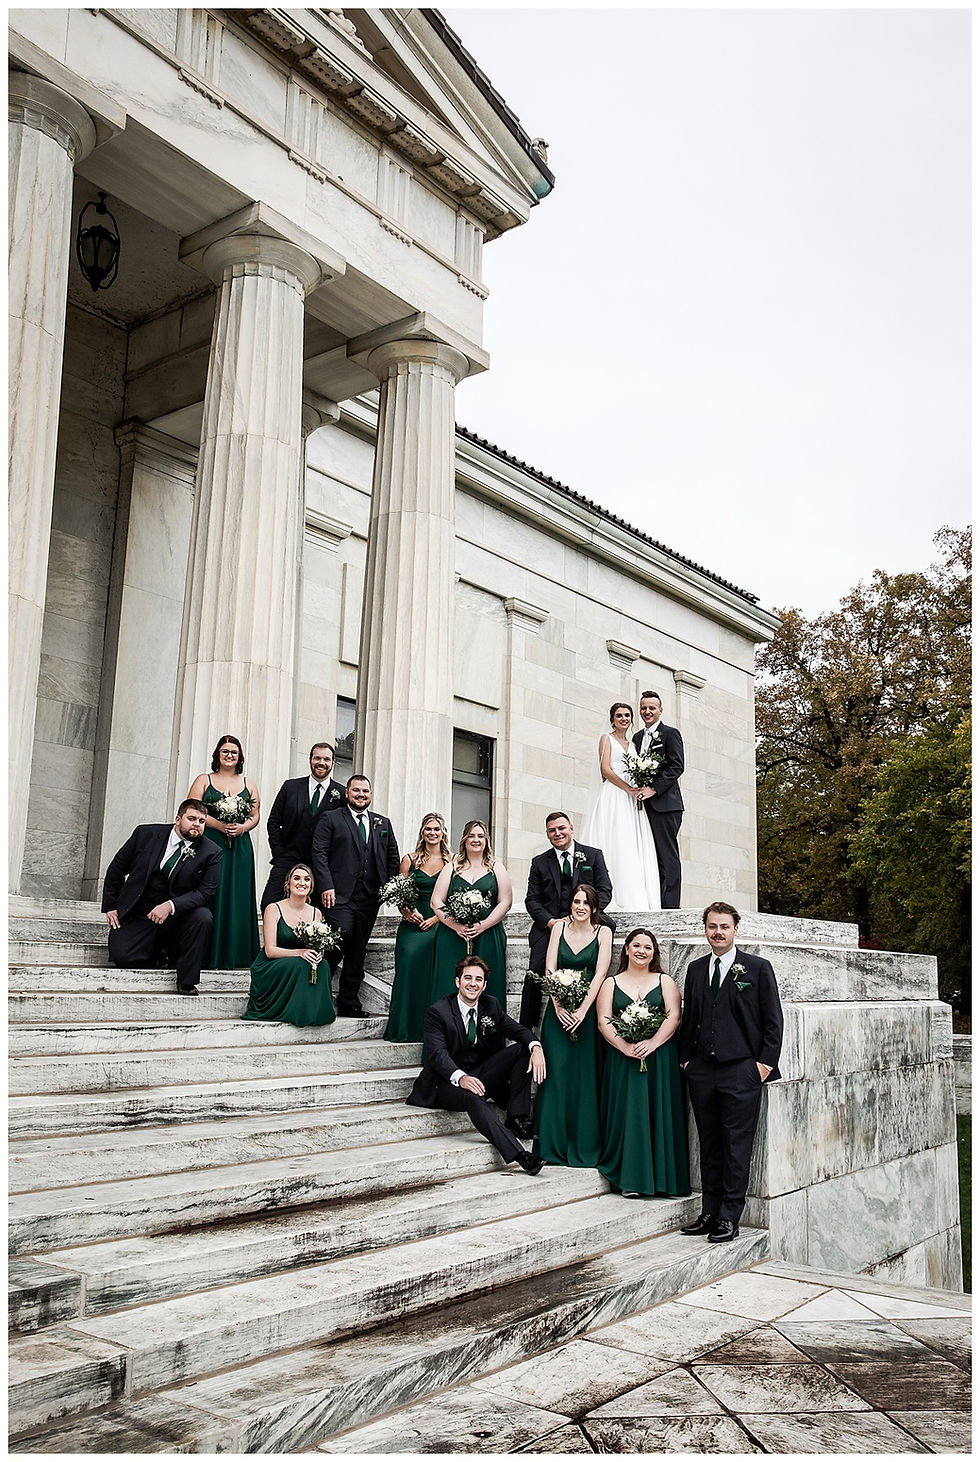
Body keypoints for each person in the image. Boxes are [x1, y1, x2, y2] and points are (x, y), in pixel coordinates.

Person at [678, 901, 782, 1242]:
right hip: (702, 1071)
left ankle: (728, 1217)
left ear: (736, 929)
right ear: (705, 929)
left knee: (736, 1147)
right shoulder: (695, 969)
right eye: (712, 926)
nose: (717, 932)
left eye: (724, 926)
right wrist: (686, 1061)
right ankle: (709, 1212)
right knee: (708, 1145)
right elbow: (689, 1016)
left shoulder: (757, 968)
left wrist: (763, 1065)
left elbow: (772, 1021)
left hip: (742, 1072)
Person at [406, 954, 546, 1174]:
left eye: (478, 979)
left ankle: (517, 1117)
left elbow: (517, 1030)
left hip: (478, 1072)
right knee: (473, 1097)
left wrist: (535, 1047)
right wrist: (461, 1078)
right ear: (457, 981)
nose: (473, 983)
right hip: (444, 1082)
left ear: (484, 984)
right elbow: (437, 1055)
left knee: (522, 1049)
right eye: (468, 978)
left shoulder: (490, 1005)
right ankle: (521, 1156)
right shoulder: (438, 1011)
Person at [596, 927, 690, 1198]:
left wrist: (653, 1043)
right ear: (626, 949)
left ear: (654, 953)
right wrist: (624, 1046)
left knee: (658, 1113)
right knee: (630, 1114)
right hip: (622, 1059)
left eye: (647, 947)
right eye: (636, 945)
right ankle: (631, 1179)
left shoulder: (665, 982)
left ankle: (662, 1179)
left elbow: (673, 1017)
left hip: (658, 1060)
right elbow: (603, 1020)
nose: (641, 951)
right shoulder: (611, 983)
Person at [101, 799, 223, 995]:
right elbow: (117, 868)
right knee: (122, 955)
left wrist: (170, 905)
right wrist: (110, 905)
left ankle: (187, 981)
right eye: (191, 819)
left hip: (177, 916)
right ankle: (159, 954)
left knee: (203, 917)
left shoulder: (212, 852)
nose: (197, 825)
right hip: (140, 912)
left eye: (202, 821)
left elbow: (205, 892)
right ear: (178, 819)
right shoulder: (146, 834)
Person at [533, 884, 612, 1168]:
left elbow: (600, 973)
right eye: (576, 901)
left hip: (587, 1014)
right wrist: (558, 1006)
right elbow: (550, 969)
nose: (580, 907)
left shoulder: (603, 933)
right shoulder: (558, 929)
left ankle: (583, 1144)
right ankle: (551, 1145)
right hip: (558, 1013)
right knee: (556, 1077)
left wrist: (581, 1010)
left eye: (585, 903)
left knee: (583, 1078)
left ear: (593, 907)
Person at [312, 774, 400, 1016]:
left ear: (370, 795)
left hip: (369, 897)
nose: (361, 795)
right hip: (337, 895)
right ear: (347, 793)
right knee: (342, 934)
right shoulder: (330, 818)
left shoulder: (383, 823)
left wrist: (389, 889)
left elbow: (393, 857)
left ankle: (349, 1001)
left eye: (366, 791)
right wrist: (325, 885)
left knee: (358, 949)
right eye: (356, 791)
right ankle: (315, 991)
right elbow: (318, 853)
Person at [521, 810, 615, 1028]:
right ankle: (527, 1029)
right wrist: (553, 922)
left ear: (571, 828)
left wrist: (584, 916)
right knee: (535, 970)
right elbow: (532, 900)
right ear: (547, 834)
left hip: (586, 920)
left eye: (561, 828)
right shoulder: (539, 862)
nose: (558, 833)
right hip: (550, 926)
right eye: (552, 830)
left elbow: (605, 890)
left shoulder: (593, 856)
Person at [187, 734, 261, 968]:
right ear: (217, 754)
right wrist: (219, 825)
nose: (230, 755)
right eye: (225, 751)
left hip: (239, 847)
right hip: (209, 844)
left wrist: (243, 827)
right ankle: (206, 952)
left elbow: (255, 814)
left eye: (234, 752)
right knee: (210, 893)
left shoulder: (248, 783)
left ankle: (237, 955)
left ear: (240, 757)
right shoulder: (204, 780)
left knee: (237, 895)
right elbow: (192, 809)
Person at [581, 703, 661, 911]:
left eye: (627, 715)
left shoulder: (633, 745)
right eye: (619, 715)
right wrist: (628, 788)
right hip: (614, 795)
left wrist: (639, 785)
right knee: (615, 838)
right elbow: (605, 770)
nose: (623, 719)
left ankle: (634, 894)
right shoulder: (606, 739)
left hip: (631, 799)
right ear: (612, 719)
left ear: (632, 719)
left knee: (631, 842)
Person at [384, 813, 452, 1043]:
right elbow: (399, 894)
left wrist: (435, 919)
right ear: (422, 832)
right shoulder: (410, 860)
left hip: (440, 922)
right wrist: (408, 912)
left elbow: (454, 896)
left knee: (435, 964)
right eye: (428, 829)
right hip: (412, 923)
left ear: (443, 833)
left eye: (437, 829)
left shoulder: (453, 861)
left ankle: (432, 1029)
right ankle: (405, 1027)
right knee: (410, 960)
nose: (432, 833)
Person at [430, 820, 512, 1009]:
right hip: (452, 936)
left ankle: (486, 1032)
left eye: (480, 836)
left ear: (486, 840)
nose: (476, 840)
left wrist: (483, 925)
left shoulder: (496, 867)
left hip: (488, 934)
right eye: (471, 836)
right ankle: (447, 1029)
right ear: (464, 839)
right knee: (449, 980)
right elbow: (436, 901)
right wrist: (455, 926)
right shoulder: (451, 867)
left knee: (487, 982)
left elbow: (505, 902)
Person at [243, 863, 335, 1026]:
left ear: (311, 885)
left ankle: (313, 1011)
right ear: (288, 884)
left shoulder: (316, 913)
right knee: (300, 965)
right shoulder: (273, 908)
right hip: (270, 964)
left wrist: (318, 954)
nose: (302, 882)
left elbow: (316, 946)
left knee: (324, 965)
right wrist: (300, 952)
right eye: (297, 878)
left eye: (307, 879)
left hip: (300, 961)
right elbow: (270, 951)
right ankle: (295, 1012)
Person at [261, 743, 345, 910]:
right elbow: (274, 821)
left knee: (317, 913)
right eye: (317, 758)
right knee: (269, 904)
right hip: (288, 858)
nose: (321, 762)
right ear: (310, 760)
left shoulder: (342, 794)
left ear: (333, 762)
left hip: (322, 865)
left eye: (326, 759)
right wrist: (279, 854)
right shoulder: (290, 787)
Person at [632, 691, 685, 908]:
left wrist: (653, 788)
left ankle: (670, 907)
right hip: (643, 806)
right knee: (649, 856)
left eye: (651, 708)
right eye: (644, 708)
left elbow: (677, 766)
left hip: (666, 806)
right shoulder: (636, 738)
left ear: (660, 710)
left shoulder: (670, 734)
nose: (647, 712)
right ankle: (654, 902)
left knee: (667, 857)